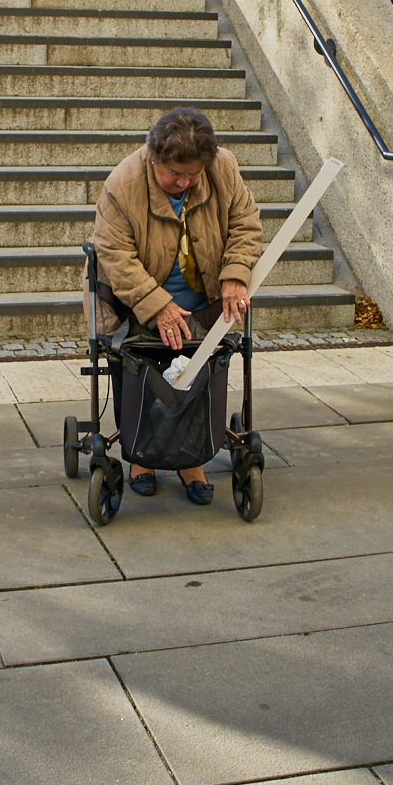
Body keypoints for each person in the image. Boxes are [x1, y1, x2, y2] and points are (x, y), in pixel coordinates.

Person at [90, 107, 264, 504]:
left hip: (203, 304)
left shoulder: (223, 168)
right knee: (142, 372)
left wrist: (236, 271)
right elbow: (114, 254)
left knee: (200, 372)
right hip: (136, 309)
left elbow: (246, 223)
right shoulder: (123, 183)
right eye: (174, 174)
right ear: (155, 158)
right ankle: (141, 459)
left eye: (193, 175)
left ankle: (192, 460)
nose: (184, 182)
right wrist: (158, 305)